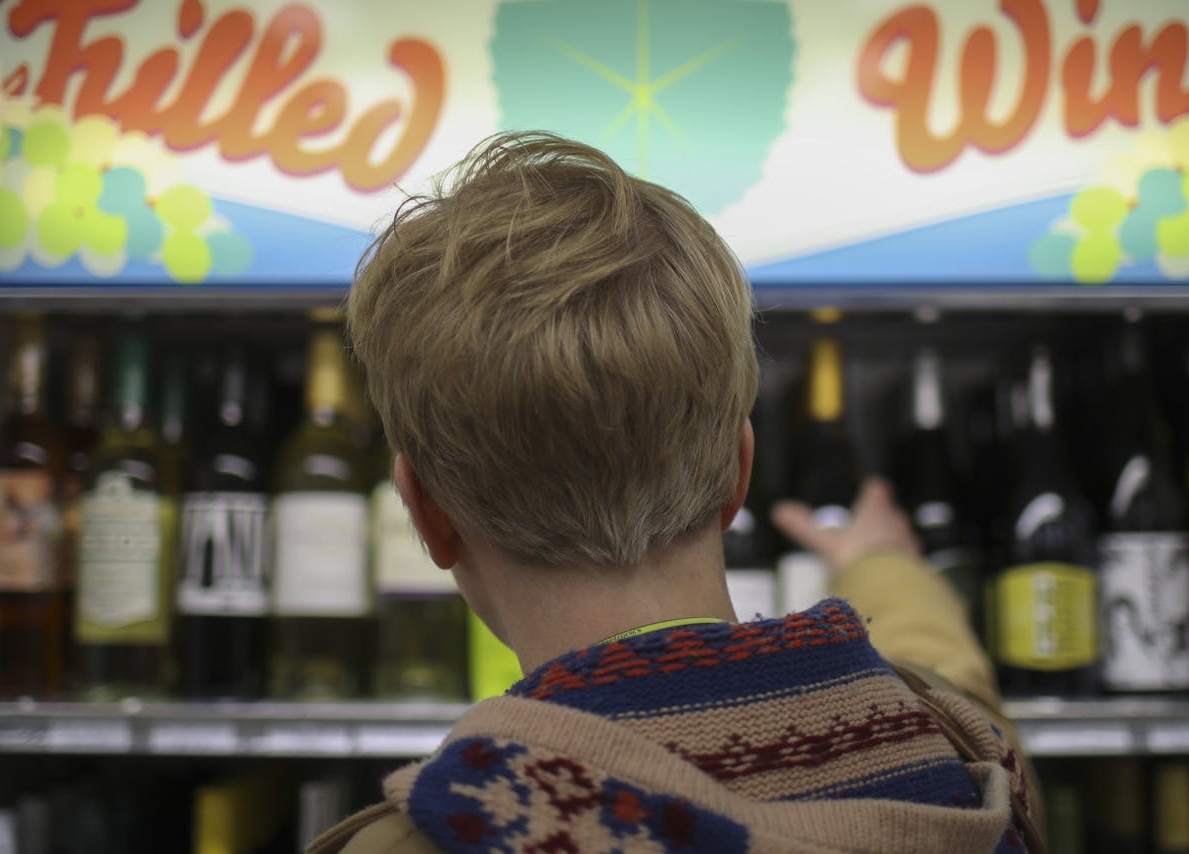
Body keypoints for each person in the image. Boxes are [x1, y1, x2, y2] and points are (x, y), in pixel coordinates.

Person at [311, 131, 1041, 853]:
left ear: (426, 513)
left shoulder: (429, 836)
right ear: (736, 472)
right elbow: (947, 678)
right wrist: (884, 566)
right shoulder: (959, 758)